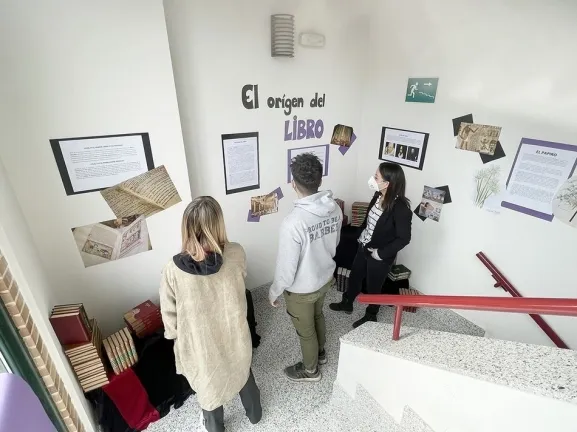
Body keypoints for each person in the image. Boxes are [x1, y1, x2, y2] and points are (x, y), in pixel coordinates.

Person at [159, 197, 262, 432]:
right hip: (235, 332)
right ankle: (255, 414)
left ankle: (215, 427)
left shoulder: (172, 270)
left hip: (201, 344)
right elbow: (241, 280)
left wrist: (176, 338)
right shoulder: (236, 253)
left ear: (186, 227)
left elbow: (169, 316)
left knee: (209, 389)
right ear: (219, 223)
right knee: (242, 371)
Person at [269, 153, 342, 382]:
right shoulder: (335, 208)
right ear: (320, 180)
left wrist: (274, 291)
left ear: (293, 183)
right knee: (318, 315)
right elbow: (335, 242)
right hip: (325, 278)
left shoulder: (293, 222)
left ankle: (311, 371)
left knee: (306, 331)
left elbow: (286, 268)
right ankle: (321, 354)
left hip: (302, 290)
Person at [329, 163, 412, 328]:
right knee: (355, 277)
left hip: (379, 255)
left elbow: (404, 238)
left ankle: (371, 315)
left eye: (376, 177)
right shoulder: (378, 195)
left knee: (374, 287)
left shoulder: (401, 209)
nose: (372, 179)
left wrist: (381, 253)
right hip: (364, 246)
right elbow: (370, 221)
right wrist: (361, 234)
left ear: (387, 183)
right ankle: (347, 302)